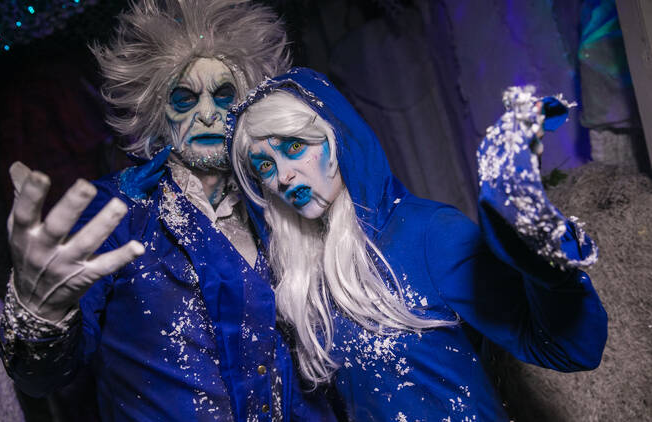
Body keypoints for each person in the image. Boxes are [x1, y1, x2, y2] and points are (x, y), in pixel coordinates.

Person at [0, 2, 337, 421]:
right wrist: (40, 316)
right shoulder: (116, 211)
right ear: (159, 113)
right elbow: (42, 378)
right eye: (185, 97)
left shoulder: (286, 196)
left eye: (224, 94)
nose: (208, 113)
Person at [227, 67, 608, 421]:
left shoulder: (430, 233)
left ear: (336, 136)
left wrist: (546, 262)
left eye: (293, 147)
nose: (283, 175)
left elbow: (568, 349)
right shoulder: (303, 278)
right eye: (264, 165)